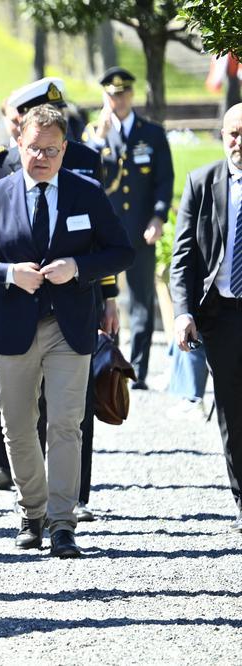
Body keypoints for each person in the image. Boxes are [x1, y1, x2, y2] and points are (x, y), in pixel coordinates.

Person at [0, 104, 134, 558]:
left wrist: (78, 267)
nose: (41, 158)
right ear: (19, 143)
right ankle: (31, 511)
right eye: (34, 148)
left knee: (65, 423)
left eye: (52, 150)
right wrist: (7, 274)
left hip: (69, 325)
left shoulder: (86, 192)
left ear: (65, 149)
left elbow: (121, 250)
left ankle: (62, 522)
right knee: (18, 426)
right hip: (12, 325)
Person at [170, 102, 242, 533]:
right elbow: (182, 257)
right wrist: (183, 313)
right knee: (232, 409)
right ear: (222, 136)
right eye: (233, 133)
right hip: (223, 314)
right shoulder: (202, 183)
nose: (240, 142)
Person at [85, 67, 174, 389]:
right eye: (112, 95)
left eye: (122, 94)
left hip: (139, 230)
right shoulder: (93, 134)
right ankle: (108, 363)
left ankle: (138, 369)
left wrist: (158, 218)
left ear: (131, 95)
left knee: (141, 301)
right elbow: (85, 176)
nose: (118, 100)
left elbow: (164, 181)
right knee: (104, 300)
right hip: (103, 235)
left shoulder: (151, 134)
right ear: (104, 97)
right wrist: (99, 140)